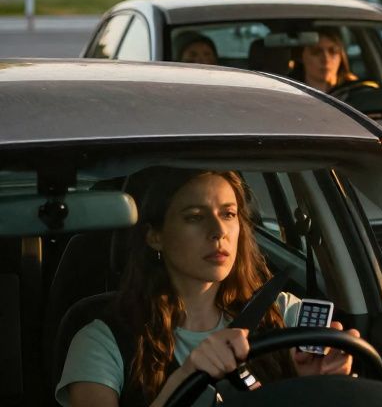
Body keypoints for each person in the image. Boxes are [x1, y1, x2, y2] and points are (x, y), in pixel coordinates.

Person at [57, 168, 359, 407]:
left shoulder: (282, 312)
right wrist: (186, 376)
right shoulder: (102, 340)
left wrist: (317, 383)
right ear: (155, 237)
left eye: (228, 214)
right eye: (195, 217)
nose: (218, 231)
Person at [299, 28, 358, 92]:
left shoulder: (355, 91)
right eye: (316, 52)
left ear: (341, 56)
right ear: (302, 56)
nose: (326, 59)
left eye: (333, 51)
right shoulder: (291, 91)